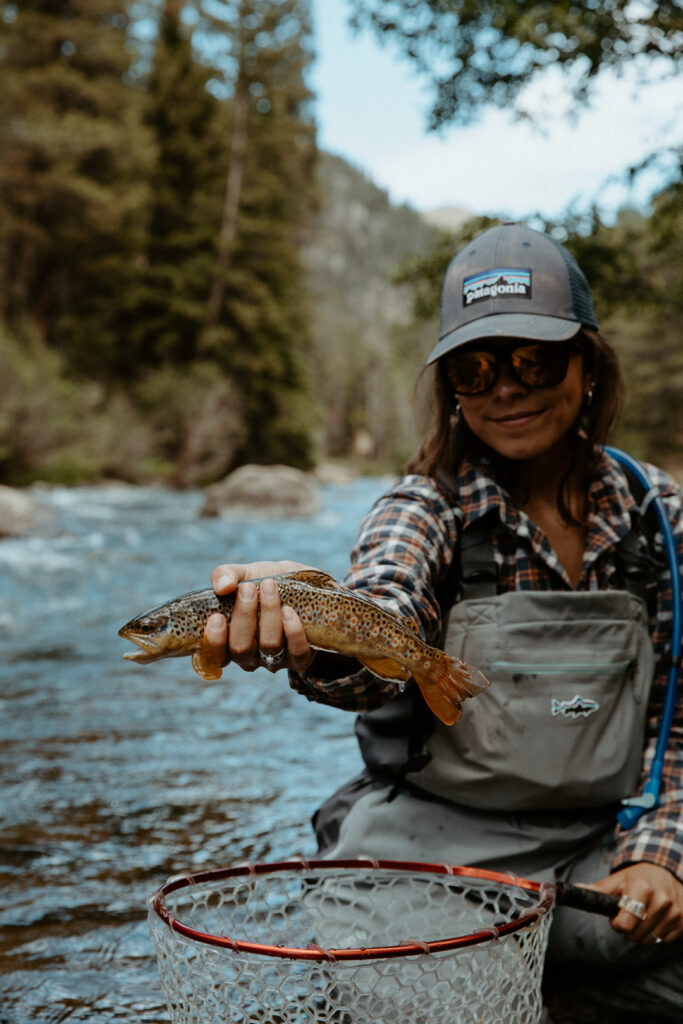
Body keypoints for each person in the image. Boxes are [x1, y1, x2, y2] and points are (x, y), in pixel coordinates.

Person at [197, 223, 683, 1019]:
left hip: (602, 851)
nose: (504, 388)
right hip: (424, 864)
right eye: (474, 366)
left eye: (534, 359)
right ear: (450, 386)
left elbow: (679, 715)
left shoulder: (657, 516)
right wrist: (314, 628)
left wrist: (660, 858)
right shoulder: (424, 507)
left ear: (588, 366)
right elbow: (383, 607)